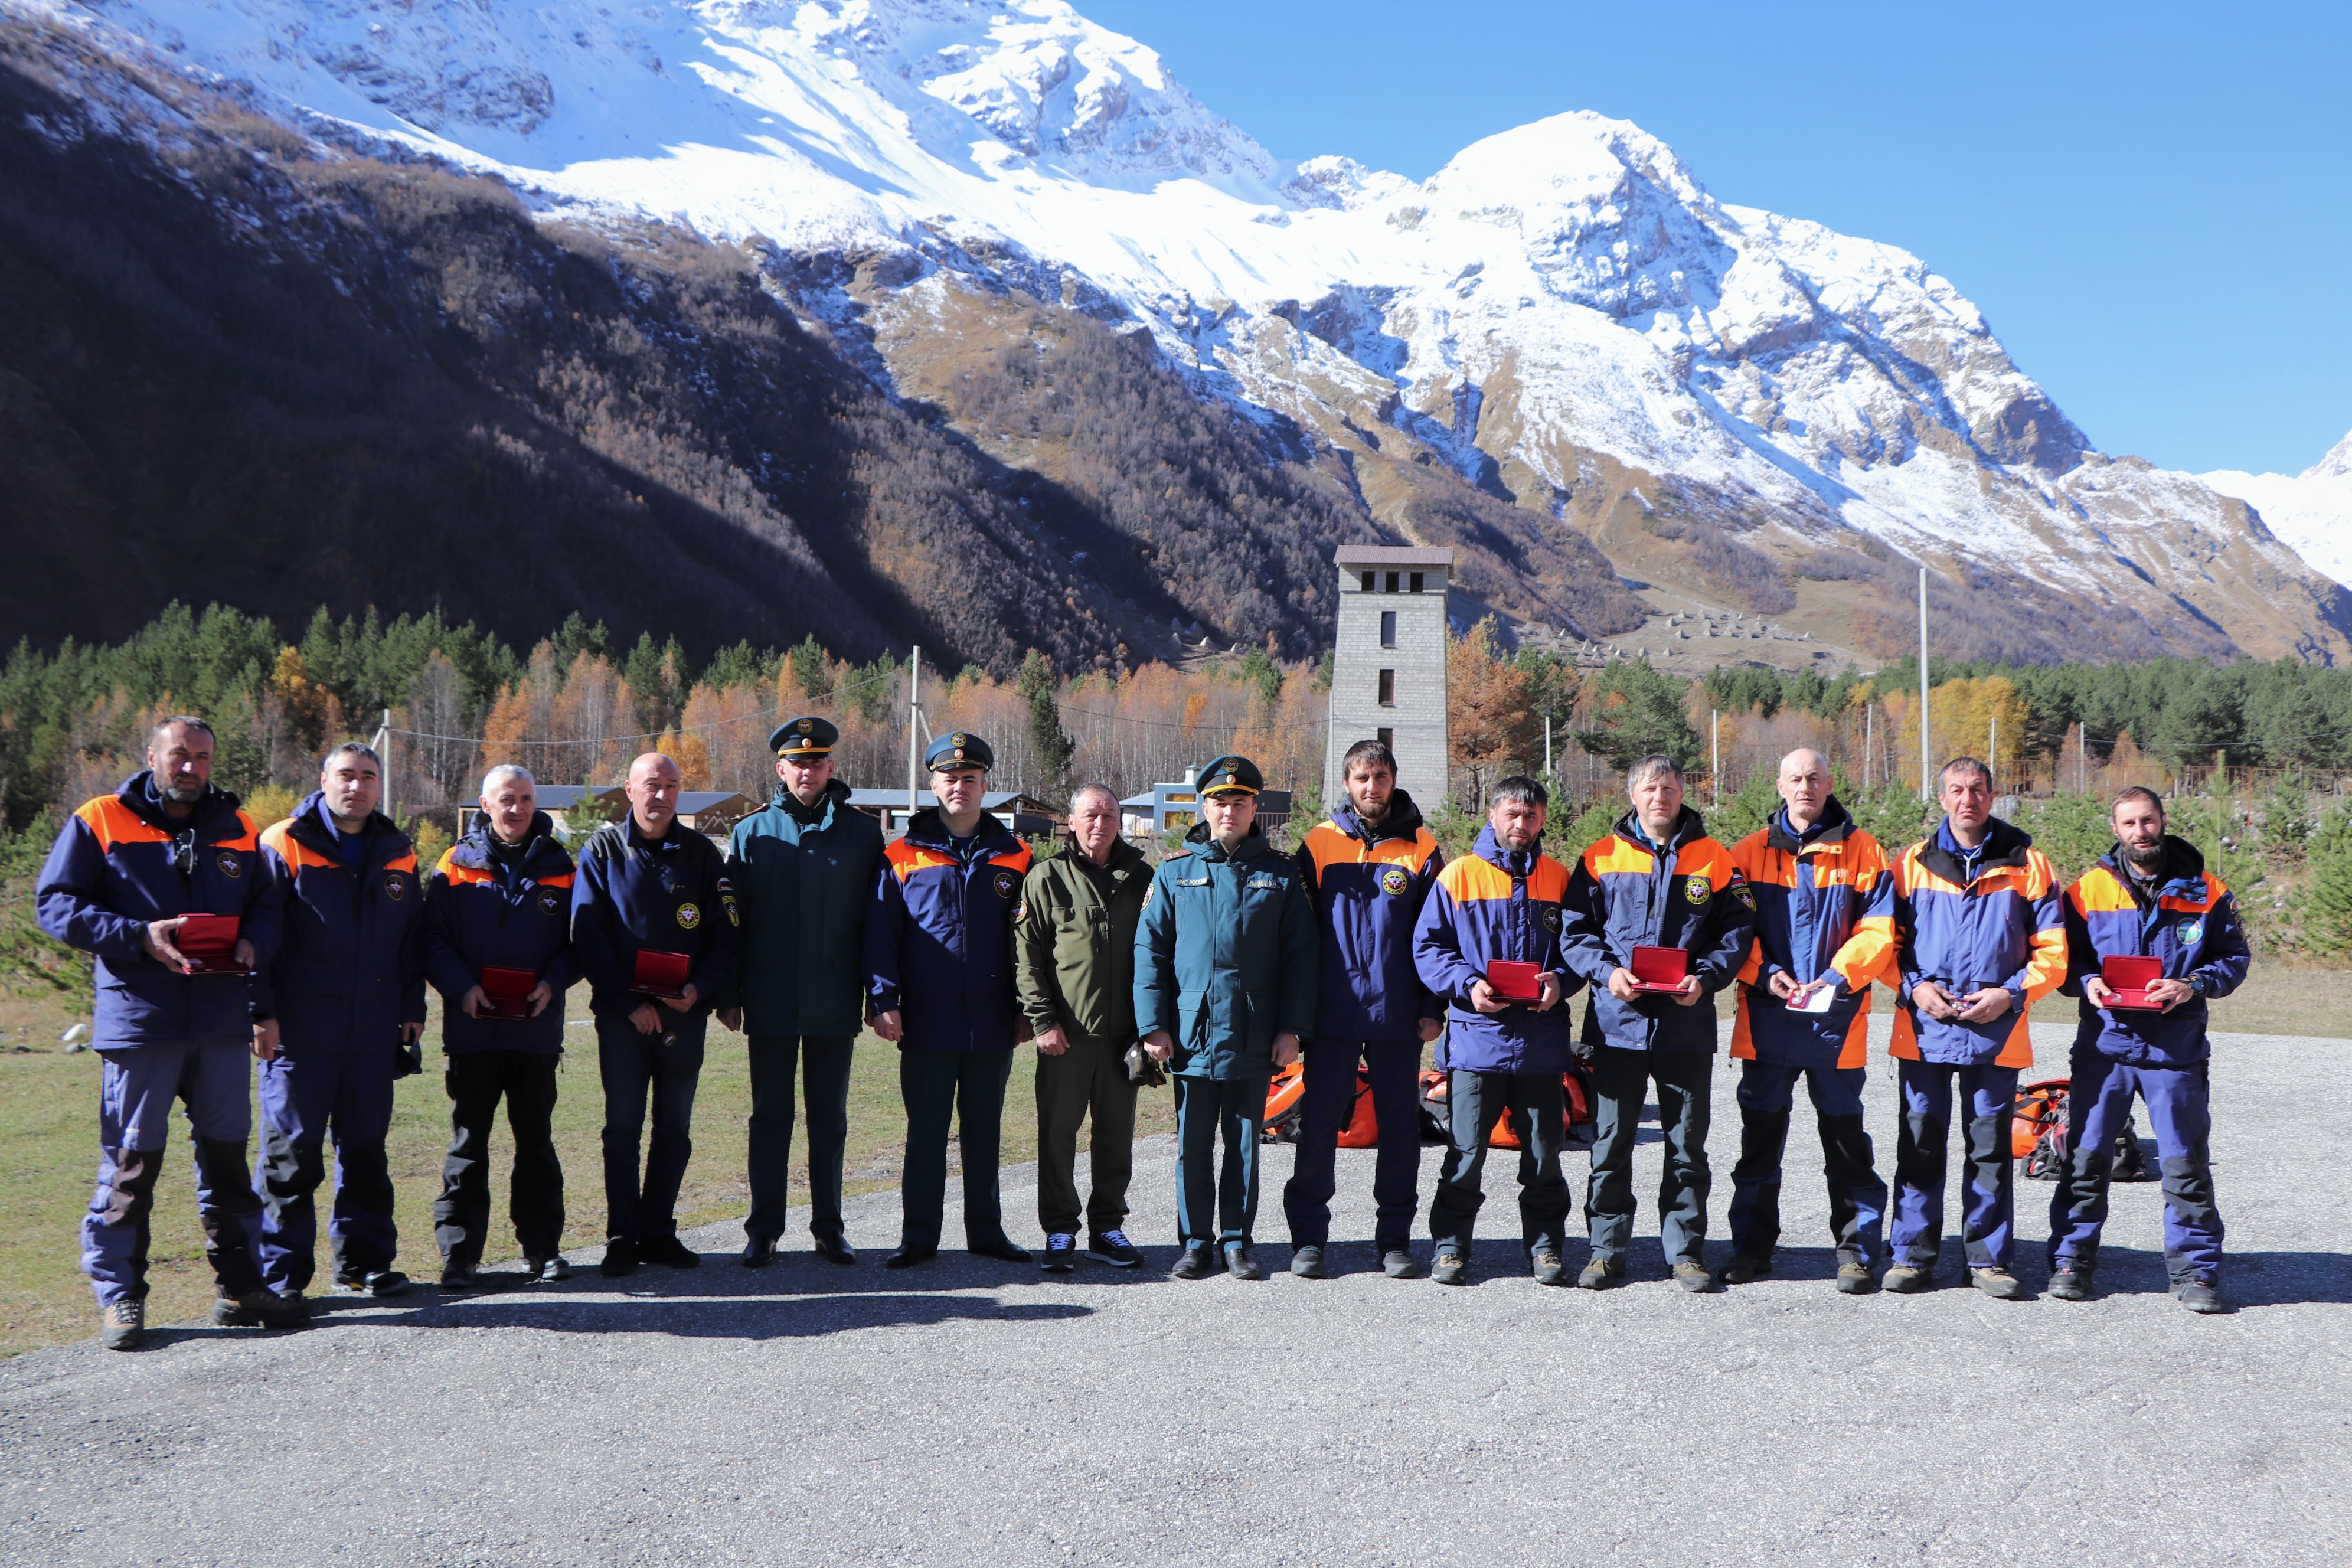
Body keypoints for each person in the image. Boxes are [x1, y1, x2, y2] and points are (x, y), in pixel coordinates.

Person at [37, 716, 291, 1349]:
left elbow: (267, 905)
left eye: (202, 756)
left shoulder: (237, 828)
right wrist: (136, 937)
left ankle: (240, 1287)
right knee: (131, 1165)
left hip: (221, 1021)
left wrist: (256, 943)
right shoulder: (100, 819)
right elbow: (56, 904)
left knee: (229, 1162)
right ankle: (121, 1297)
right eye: (179, 754)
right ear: (151, 755)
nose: (190, 767)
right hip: (141, 1023)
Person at [2047, 786, 2249, 1312]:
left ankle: (2197, 1273)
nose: (2141, 831)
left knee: (2185, 1164)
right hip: (2105, 1049)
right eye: (2130, 823)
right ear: (2115, 829)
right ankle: (2072, 1260)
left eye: (2148, 820)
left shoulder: (2207, 890)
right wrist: (2087, 980)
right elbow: (2064, 961)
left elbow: (2234, 960)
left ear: (2164, 820)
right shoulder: (2086, 891)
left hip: (2175, 1052)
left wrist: (2193, 984)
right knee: (2086, 1160)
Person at [1560, 753, 1756, 1292]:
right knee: (1610, 1142)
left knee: (1687, 1145)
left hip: (1685, 1025)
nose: (1660, 796)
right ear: (1633, 795)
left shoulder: (1713, 858)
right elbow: (1576, 933)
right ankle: (1605, 1251)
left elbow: (1737, 930)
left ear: (1681, 792)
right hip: (1617, 1023)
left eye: (1669, 787)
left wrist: (1708, 978)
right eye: (1650, 788)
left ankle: (1686, 1252)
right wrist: (1607, 973)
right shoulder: (1600, 857)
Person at [250, 741, 428, 1304]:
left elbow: (411, 942)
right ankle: (280, 1279)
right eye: (346, 776)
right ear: (323, 780)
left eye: (368, 777)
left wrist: (411, 1009)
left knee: (366, 1152)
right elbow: (257, 938)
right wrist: (261, 1012)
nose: (357, 787)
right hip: (300, 1033)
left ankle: (364, 1264)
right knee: (290, 1156)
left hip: (372, 1033)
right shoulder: (284, 842)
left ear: (380, 786)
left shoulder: (399, 850)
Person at [1886, 757, 2067, 1299]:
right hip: (1925, 1028)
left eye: (1979, 790)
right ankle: (1913, 1256)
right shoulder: (1911, 865)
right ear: (1941, 798)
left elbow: (2054, 953)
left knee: (1989, 1148)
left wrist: (2009, 995)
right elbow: (1882, 945)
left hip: (1998, 1030)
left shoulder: (2029, 865)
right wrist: (1915, 987)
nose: (1968, 799)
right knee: (1919, 1145)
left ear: (1993, 798)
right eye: (1957, 790)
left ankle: (1988, 1259)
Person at [1721, 749, 1897, 1294]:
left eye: (1814, 778)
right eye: (1796, 778)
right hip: (1768, 1021)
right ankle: (1751, 1248)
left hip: (1836, 1024)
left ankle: (1857, 1251)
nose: (1805, 786)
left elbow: (1879, 931)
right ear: (1779, 785)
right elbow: (1732, 933)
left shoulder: (1865, 851)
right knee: (1759, 1143)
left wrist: (1837, 977)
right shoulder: (1747, 853)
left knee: (1846, 1144)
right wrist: (1764, 970)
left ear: (1830, 783)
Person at [1135, 754, 1317, 1281]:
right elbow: (1150, 954)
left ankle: (1237, 1241)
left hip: (1254, 1032)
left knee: (1243, 1145)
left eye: (1240, 802)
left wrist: (1292, 1030)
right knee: (1192, 1146)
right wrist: (1153, 1025)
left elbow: (1301, 960)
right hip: (1189, 1034)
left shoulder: (1280, 875)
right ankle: (1195, 1243)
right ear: (1204, 807)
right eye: (1219, 801)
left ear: (1255, 807)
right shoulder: (1174, 873)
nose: (1229, 811)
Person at [717, 717, 882, 1269]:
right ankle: (763, 1229)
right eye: (798, 762)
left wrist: (876, 995)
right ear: (781, 769)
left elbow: (875, 922)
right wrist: (730, 993)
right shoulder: (752, 833)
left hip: (834, 998)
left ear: (832, 767)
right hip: (769, 999)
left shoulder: (861, 833)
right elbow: (731, 923)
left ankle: (828, 1228)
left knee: (829, 1120)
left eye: (818, 761)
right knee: (769, 1119)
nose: (807, 770)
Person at [866, 733, 1034, 1269]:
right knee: (926, 1136)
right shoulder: (899, 854)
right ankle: (918, 1237)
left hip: (992, 1021)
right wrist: (882, 1000)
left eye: (970, 778)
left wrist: (1027, 1010)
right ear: (933, 784)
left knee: (984, 1134)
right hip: (926, 1020)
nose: (959, 787)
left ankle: (986, 1233)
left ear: (985, 785)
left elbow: (1031, 944)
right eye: (949, 778)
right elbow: (880, 935)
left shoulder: (1017, 856)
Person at [572, 752, 741, 1278]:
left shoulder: (701, 854)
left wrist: (701, 990)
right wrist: (629, 1002)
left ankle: (660, 1232)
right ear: (629, 790)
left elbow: (725, 933)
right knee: (622, 1128)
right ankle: (623, 1237)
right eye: (652, 785)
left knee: (675, 1129)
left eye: (671, 786)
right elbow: (586, 934)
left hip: (684, 1016)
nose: (661, 795)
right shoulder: (601, 851)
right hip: (623, 1019)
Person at [1285, 739, 1444, 1280]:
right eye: (1360, 778)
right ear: (1347, 784)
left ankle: (1395, 1240)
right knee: (1320, 1126)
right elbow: (1295, 934)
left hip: (1399, 1016)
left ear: (1392, 781)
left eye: (1379, 777)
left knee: (1401, 1128)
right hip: (1331, 1014)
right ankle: (1309, 1239)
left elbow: (1436, 936)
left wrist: (1430, 1006)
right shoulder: (1319, 843)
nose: (1371, 787)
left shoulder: (1422, 848)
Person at [1411, 775, 1580, 1286]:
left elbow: (1579, 949)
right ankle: (1450, 1247)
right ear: (1493, 815)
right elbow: (1429, 949)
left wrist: (1564, 981)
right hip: (1475, 1040)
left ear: (1543, 820)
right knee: (1465, 1155)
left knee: (1545, 1155)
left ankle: (1547, 1246)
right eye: (1511, 814)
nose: (1520, 825)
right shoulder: (1459, 876)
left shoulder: (1559, 878)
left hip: (1541, 1044)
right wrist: (1467, 983)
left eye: (1530, 816)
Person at [422, 764, 579, 1287]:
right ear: (485, 806)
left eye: (526, 799)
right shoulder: (453, 865)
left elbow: (578, 945)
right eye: (506, 799)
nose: (517, 809)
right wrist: (462, 988)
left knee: (536, 1142)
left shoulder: (562, 866)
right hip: (474, 1031)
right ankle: (460, 1257)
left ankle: (543, 1249)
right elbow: (432, 940)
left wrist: (552, 985)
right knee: (469, 1145)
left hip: (535, 1031)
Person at [1014, 782, 1153, 1272]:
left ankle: (1107, 1228)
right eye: (1090, 815)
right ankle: (1059, 1231)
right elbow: (1027, 959)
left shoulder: (1143, 877)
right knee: (1057, 1134)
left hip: (1124, 1039)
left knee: (1116, 1136)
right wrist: (1043, 1022)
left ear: (1121, 822)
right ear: (1071, 822)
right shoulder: (1047, 878)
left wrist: (1152, 1027)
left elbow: (1160, 954)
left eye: (1110, 815)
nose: (1100, 824)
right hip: (1065, 1039)